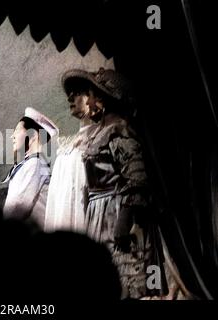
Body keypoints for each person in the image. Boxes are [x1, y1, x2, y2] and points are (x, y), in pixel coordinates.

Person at [61, 67, 166, 299]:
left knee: (125, 278)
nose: (90, 98)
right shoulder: (102, 132)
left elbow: (136, 176)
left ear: (104, 98)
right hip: (99, 212)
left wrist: (124, 220)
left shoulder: (119, 130)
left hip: (116, 210)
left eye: (93, 93)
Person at [44, 78, 96, 233]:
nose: (70, 98)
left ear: (92, 97)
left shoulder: (99, 140)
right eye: (70, 93)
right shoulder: (68, 148)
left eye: (78, 93)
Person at [2, 107, 59, 229]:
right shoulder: (29, 164)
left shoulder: (35, 164)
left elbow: (20, 206)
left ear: (32, 134)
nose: (12, 136)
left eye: (17, 130)